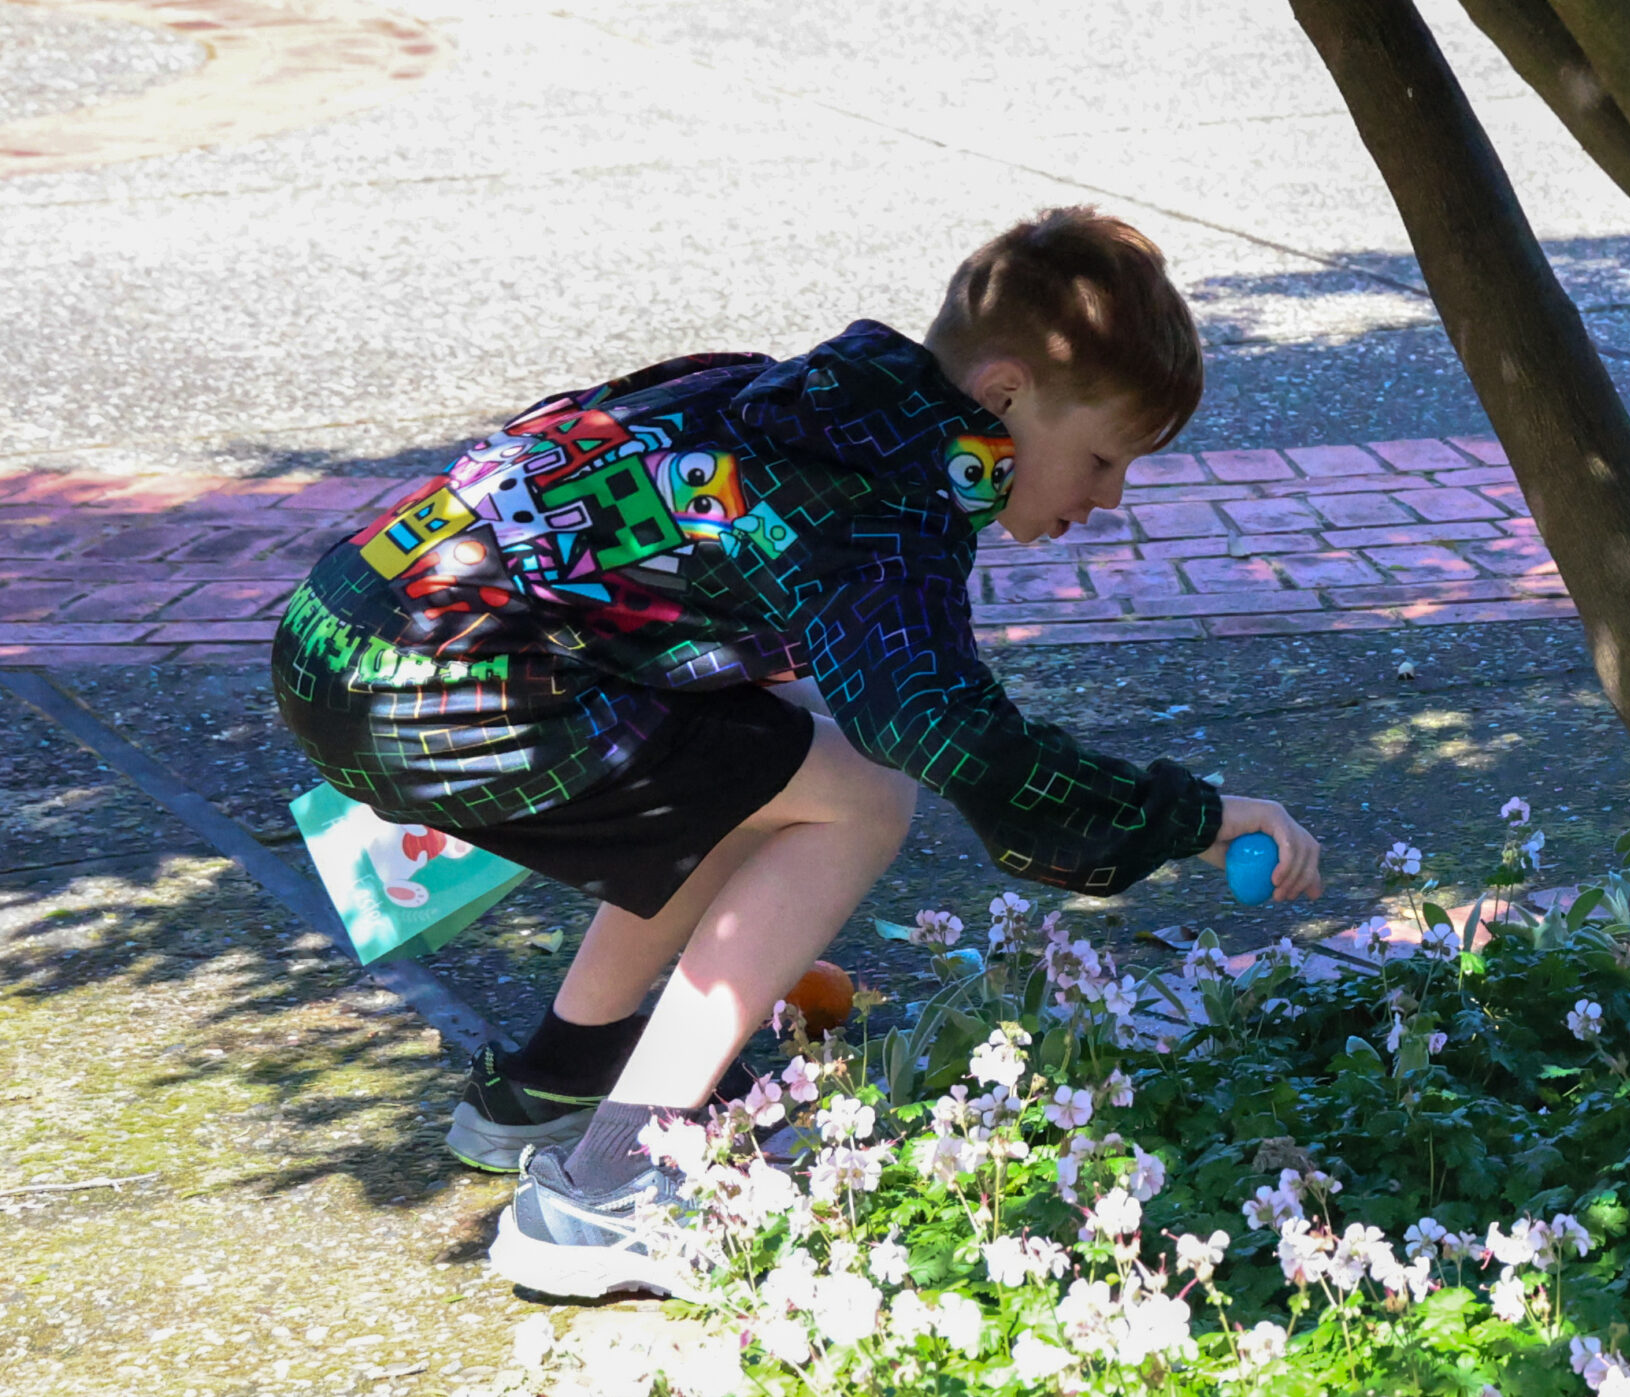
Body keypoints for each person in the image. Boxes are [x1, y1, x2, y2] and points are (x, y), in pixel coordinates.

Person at [269, 207, 1324, 1299]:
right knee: (865, 799)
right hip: (452, 682)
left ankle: (549, 1083)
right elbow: (945, 726)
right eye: (1103, 458)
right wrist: (1189, 815)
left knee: (770, 774)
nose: (1108, 499)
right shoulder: (886, 508)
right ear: (1007, 394)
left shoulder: (791, 405)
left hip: (344, 628)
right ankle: (606, 1190)